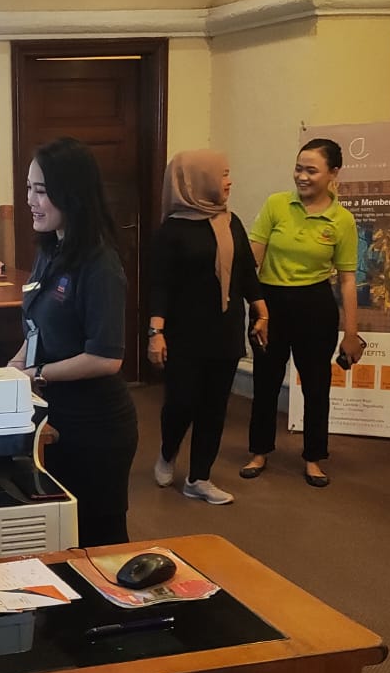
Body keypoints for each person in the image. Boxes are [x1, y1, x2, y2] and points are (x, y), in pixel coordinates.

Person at [8, 137, 138, 546]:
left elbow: (105, 358)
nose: (30, 200)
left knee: (99, 540)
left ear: (72, 194)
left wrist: (36, 373)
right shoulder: (51, 248)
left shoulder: (99, 264)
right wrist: (10, 370)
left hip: (95, 427)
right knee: (63, 536)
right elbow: (37, 329)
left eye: (41, 191)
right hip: (56, 416)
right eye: (29, 188)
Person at [147, 150, 269, 505]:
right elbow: (160, 285)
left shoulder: (231, 222)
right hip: (184, 333)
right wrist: (156, 333)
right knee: (181, 403)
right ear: (197, 180)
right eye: (223, 174)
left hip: (225, 331)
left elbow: (246, 271)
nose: (229, 181)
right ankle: (167, 452)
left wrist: (261, 310)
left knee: (214, 407)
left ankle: (199, 478)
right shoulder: (172, 230)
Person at [241, 138, 361, 488]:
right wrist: (252, 304)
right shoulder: (276, 204)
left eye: (311, 170)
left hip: (315, 305)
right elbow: (253, 259)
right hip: (269, 305)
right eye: (298, 168)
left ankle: (313, 458)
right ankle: (259, 451)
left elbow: (348, 280)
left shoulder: (342, 220)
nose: (302, 177)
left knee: (316, 384)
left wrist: (351, 333)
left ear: (334, 173)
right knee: (265, 381)